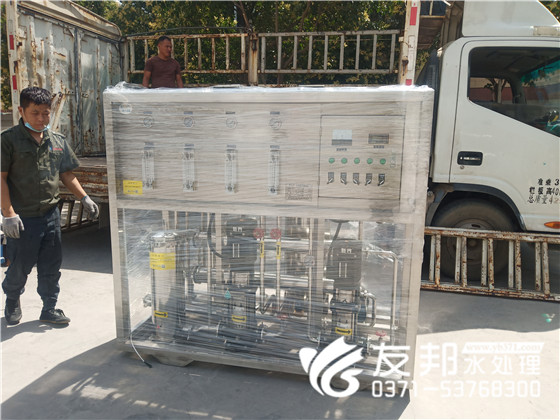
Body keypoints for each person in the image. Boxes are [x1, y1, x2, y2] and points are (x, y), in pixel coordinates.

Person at [1, 86, 99, 326]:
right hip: (22, 218)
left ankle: (49, 308)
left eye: (45, 113)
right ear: (21, 111)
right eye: (35, 113)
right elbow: (0, 178)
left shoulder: (57, 141)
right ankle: (12, 299)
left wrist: (84, 198)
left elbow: (66, 174)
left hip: (50, 216)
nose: (41, 118)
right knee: (20, 266)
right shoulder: (8, 140)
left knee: (51, 266)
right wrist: (8, 214)